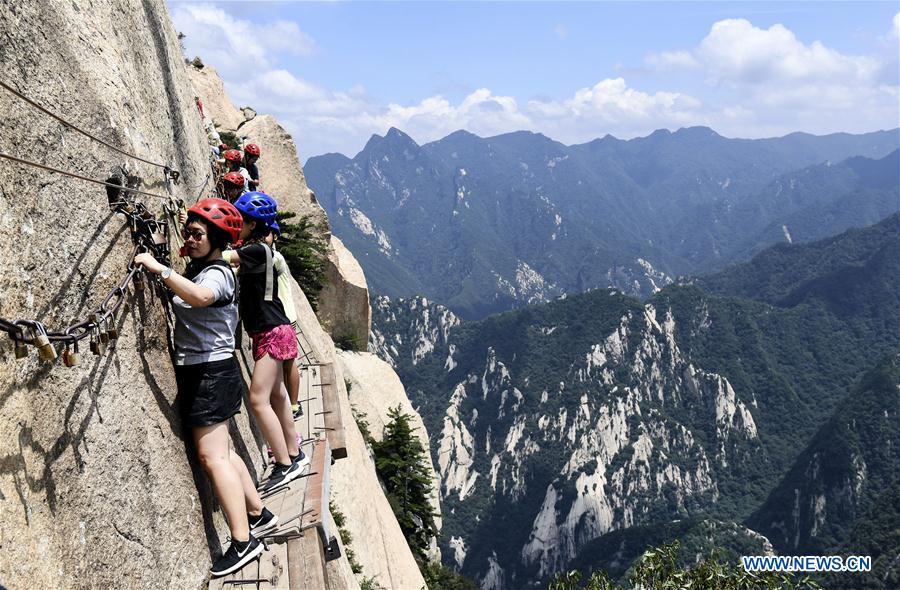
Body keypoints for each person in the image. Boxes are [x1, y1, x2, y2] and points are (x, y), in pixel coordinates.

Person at [134, 198, 279, 577]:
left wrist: (159, 268)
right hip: (212, 371)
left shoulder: (216, 274)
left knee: (211, 456)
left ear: (217, 239)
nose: (190, 238)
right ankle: (257, 513)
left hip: (209, 373)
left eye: (198, 234)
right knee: (225, 452)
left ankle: (243, 542)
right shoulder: (204, 268)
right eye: (189, 232)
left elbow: (200, 297)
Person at [229, 192, 308, 492]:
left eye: (240, 221)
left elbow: (222, 257)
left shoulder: (256, 250)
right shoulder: (261, 250)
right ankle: (294, 452)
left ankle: (284, 464)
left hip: (271, 332)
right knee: (276, 395)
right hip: (275, 330)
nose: (237, 225)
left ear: (252, 223)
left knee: (258, 400)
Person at [266, 221, 303, 419]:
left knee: (288, 364)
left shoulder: (275, 257)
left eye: (268, 233)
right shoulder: (271, 255)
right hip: (284, 316)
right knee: (287, 363)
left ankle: (294, 405)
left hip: (285, 317)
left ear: (275, 237)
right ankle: (292, 404)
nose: (264, 237)